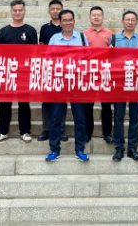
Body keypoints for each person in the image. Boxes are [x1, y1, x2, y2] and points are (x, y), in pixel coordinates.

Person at [46, 9, 89, 162]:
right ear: (60, 22)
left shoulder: (82, 38)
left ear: (74, 21)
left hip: (77, 83)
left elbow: (88, 59)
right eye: (64, 20)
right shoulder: (54, 39)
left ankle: (80, 149)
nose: (68, 23)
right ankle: (54, 149)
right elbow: (48, 60)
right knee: (56, 118)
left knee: (80, 118)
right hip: (60, 83)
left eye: (70, 20)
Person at [0, 0, 37, 143]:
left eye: (20, 10)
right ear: (11, 12)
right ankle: (2, 131)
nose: (17, 13)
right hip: (7, 72)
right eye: (15, 10)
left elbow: (35, 52)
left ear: (24, 11)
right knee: (4, 102)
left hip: (24, 72)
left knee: (24, 103)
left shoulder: (30, 30)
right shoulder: (4, 31)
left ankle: (25, 131)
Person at [111, 10, 138, 162]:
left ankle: (133, 148)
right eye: (127, 19)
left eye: (133, 20)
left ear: (136, 22)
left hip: (136, 82)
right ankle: (119, 147)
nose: (130, 22)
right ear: (122, 22)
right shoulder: (114, 38)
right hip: (120, 82)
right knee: (118, 116)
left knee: (135, 117)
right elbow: (109, 59)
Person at [82, 6, 114, 144]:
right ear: (89, 17)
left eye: (99, 15)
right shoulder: (83, 34)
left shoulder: (110, 34)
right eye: (93, 15)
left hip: (104, 73)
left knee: (106, 105)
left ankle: (107, 133)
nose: (96, 17)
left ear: (103, 17)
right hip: (88, 73)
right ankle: (87, 132)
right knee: (88, 105)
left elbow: (114, 53)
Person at [38, 0, 67, 142]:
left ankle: (60, 130)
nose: (55, 11)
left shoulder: (67, 27)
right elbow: (41, 48)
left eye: (58, 8)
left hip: (64, 69)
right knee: (47, 100)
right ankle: (46, 129)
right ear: (49, 11)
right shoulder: (44, 28)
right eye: (53, 9)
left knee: (61, 100)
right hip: (48, 68)